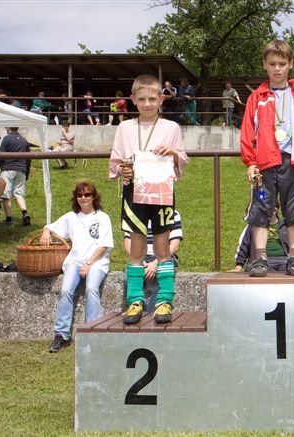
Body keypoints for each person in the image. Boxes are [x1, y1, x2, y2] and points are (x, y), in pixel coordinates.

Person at [109, 74, 188, 324]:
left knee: (163, 247)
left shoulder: (171, 128)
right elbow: (115, 161)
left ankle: (164, 301)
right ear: (132, 99)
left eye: (152, 99)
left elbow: (183, 159)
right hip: (134, 192)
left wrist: (172, 153)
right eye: (142, 99)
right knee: (137, 248)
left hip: (162, 191)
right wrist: (122, 169)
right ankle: (135, 300)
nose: (147, 104)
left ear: (161, 99)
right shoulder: (124, 128)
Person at [240, 39, 294, 277]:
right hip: (264, 164)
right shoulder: (257, 97)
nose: (277, 69)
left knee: (293, 209)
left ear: (290, 64)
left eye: (282, 64)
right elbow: (248, 130)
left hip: (293, 163)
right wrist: (250, 161)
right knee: (261, 207)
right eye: (272, 63)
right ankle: (259, 257)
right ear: (264, 64)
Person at [41, 182, 114, 352]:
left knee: (91, 289)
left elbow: (104, 245)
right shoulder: (71, 217)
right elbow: (51, 227)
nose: (83, 198)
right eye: (80, 195)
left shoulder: (102, 217)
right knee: (66, 290)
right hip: (75, 260)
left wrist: (89, 263)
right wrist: (46, 231)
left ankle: (93, 333)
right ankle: (61, 335)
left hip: (97, 261)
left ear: (94, 197)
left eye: (87, 194)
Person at [123, 210, 182, 313]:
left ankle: (153, 311)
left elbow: (174, 245)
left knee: (161, 279)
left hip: (164, 255)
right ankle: (137, 306)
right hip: (142, 256)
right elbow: (127, 244)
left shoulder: (172, 214)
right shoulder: (133, 212)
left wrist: (155, 263)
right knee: (127, 278)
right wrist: (141, 262)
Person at [232, 204, 293, 273]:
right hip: (261, 260)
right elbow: (244, 246)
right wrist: (238, 266)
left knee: (288, 271)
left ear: (274, 210)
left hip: (284, 260)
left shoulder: (286, 226)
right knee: (265, 272)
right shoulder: (254, 226)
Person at [0, 127, 32, 226]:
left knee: (6, 195)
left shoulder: (6, 139)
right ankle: (24, 212)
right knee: (19, 194)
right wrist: (26, 173)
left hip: (8, 169)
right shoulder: (24, 140)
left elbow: (0, 156)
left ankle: (9, 220)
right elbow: (28, 159)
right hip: (21, 170)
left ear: (8, 128)